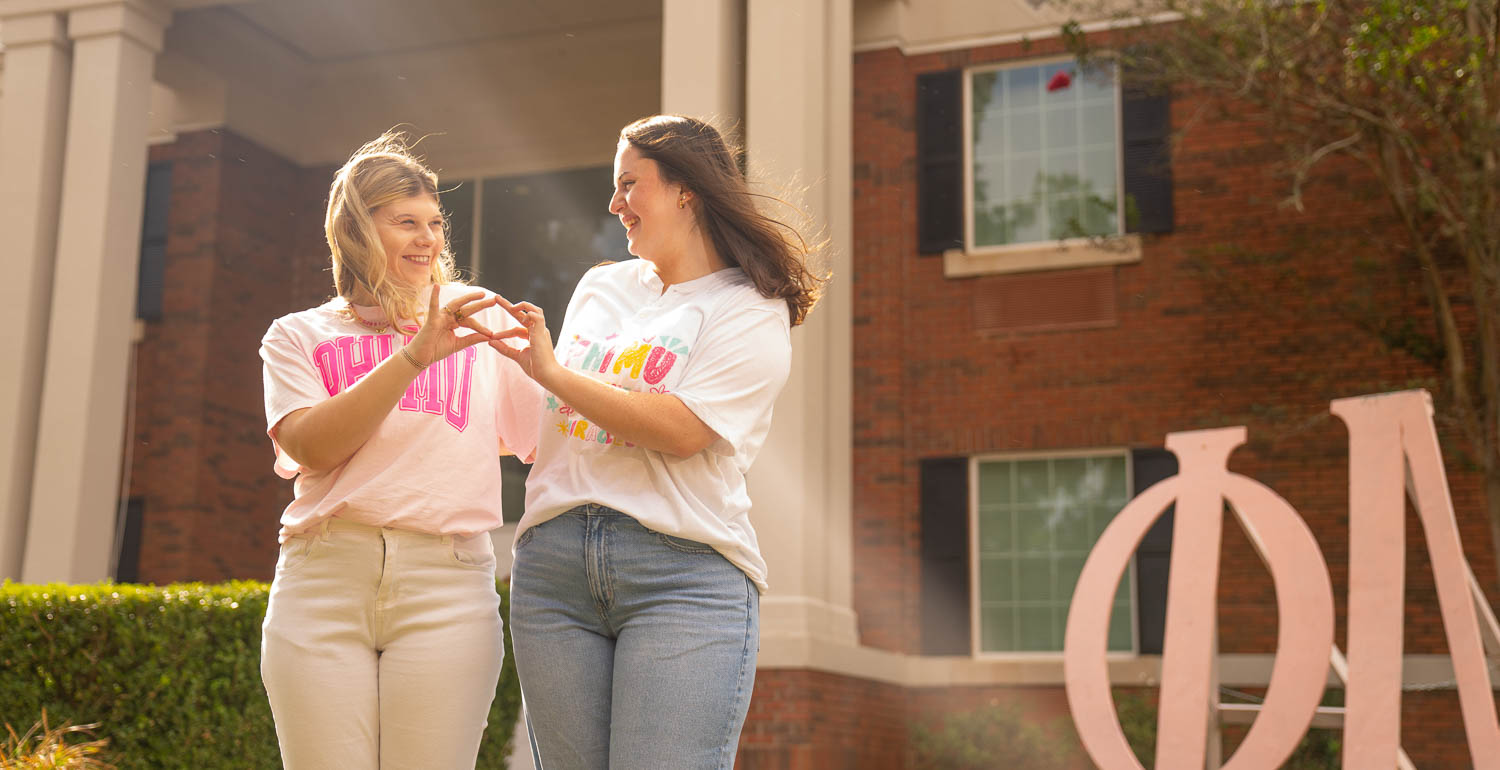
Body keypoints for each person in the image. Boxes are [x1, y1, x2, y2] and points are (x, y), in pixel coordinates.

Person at [489, 115, 826, 769]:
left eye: (628, 185)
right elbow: (559, 416)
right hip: (554, 569)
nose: (615, 205)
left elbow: (683, 430)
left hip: (682, 575)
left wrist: (552, 371)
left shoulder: (749, 307)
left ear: (685, 191)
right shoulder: (601, 287)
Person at [257, 131, 542, 769]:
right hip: (324, 578)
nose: (429, 239)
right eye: (405, 222)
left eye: (435, 223)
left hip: (447, 583)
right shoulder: (297, 336)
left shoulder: (480, 323)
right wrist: (414, 356)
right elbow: (312, 445)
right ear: (357, 231)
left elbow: (548, 441)